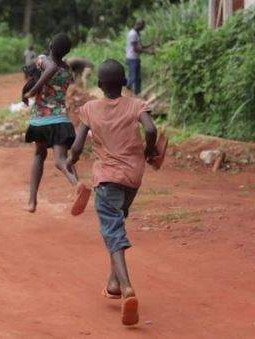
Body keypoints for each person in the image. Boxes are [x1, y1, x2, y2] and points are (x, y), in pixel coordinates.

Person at [67, 59, 163, 326]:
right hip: (133, 177)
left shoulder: (89, 109)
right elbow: (152, 129)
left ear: (99, 85)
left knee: (112, 231)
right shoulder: (135, 105)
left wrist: (70, 160)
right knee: (116, 226)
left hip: (108, 177)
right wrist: (149, 149)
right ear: (124, 83)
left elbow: (76, 146)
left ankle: (127, 288)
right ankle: (113, 284)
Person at [22, 33, 91, 214]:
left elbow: (50, 68)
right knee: (61, 159)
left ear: (50, 45)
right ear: (67, 51)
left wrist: (32, 92)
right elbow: (56, 71)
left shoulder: (43, 59)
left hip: (41, 120)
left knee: (39, 154)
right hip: (60, 120)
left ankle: (32, 201)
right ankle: (77, 184)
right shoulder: (68, 70)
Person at [125, 19, 147, 95]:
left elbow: (140, 46)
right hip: (132, 58)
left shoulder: (137, 33)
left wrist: (150, 46)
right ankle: (126, 92)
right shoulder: (133, 34)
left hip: (135, 58)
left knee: (138, 78)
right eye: (143, 26)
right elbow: (136, 49)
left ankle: (138, 94)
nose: (143, 28)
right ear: (139, 25)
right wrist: (148, 52)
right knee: (133, 77)